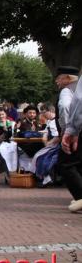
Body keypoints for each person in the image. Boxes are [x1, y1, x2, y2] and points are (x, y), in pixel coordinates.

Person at [56, 66, 82, 212]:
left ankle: (80, 196)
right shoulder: (76, 87)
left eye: (59, 78)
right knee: (78, 163)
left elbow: (65, 106)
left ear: (67, 78)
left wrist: (67, 129)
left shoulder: (68, 90)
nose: (57, 81)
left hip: (77, 131)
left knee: (66, 164)